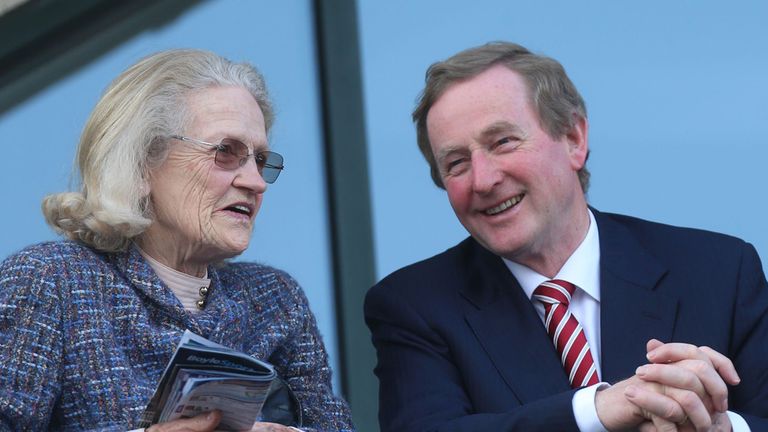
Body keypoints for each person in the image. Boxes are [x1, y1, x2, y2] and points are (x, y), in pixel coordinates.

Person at [364, 41, 768, 431]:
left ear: (574, 138)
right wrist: (597, 409)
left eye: (503, 142)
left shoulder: (719, 272)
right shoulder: (414, 307)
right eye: (456, 163)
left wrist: (720, 429)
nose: (483, 180)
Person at [0, 49, 354, 432]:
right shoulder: (52, 281)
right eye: (226, 151)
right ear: (140, 165)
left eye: (260, 160)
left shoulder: (276, 300)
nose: (255, 182)